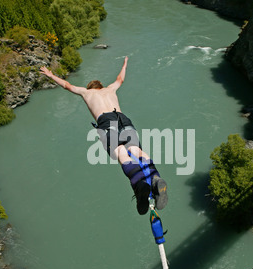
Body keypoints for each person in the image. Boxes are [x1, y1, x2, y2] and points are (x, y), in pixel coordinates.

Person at [39, 57, 167, 215]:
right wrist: (125, 63)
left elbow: (67, 86)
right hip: (123, 119)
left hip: (106, 123)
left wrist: (50, 75)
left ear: (91, 87)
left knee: (120, 152)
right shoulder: (110, 89)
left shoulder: (87, 92)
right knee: (135, 150)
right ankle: (155, 178)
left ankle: (139, 184)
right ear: (101, 86)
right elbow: (120, 79)